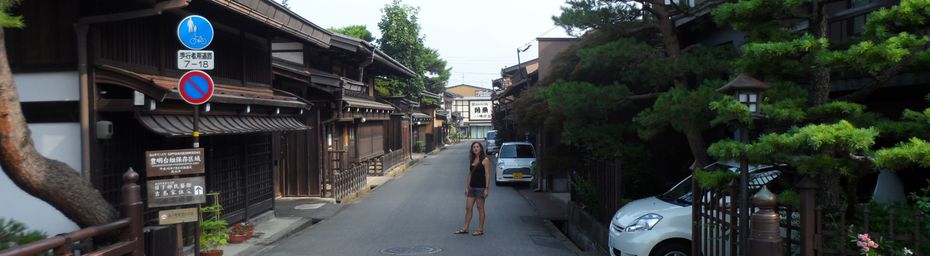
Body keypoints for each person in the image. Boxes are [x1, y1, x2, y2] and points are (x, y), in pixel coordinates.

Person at [455, 141, 490, 236]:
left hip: (480, 188)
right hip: (472, 188)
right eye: (474, 147)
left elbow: (487, 175)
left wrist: (487, 188)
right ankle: (465, 228)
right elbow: (470, 174)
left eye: (477, 147)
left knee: (480, 208)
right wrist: (467, 187)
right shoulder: (472, 159)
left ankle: (480, 229)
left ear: (481, 148)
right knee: (468, 208)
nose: (475, 148)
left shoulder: (485, 160)